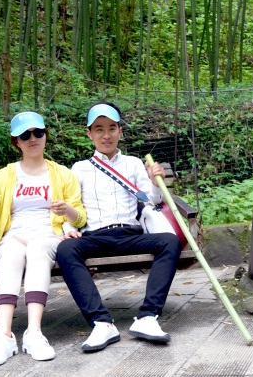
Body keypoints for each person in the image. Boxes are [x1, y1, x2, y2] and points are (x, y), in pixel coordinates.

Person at [0, 111, 87, 367]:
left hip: (48, 235)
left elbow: (79, 217)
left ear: (45, 136)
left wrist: (67, 210)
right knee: (10, 253)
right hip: (15, 235)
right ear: (16, 142)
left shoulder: (62, 174)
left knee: (38, 249)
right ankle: (3, 336)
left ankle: (34, 333)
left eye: (38, 132)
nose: (33, 139)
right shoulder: (5, 175)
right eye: (25, 135)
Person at [57, 102, 182, 353]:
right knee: (66, 249)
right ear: (89, 134)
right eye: (99, 129)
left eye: (112, 128)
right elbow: (71, 203)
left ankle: (148, 317)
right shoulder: (79, 168)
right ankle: (101, 323)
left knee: (170, 241)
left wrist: (155, 180)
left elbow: (153, 200)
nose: (106, 135)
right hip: (95, 236)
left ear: (120, 131)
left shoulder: (133, 163)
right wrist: (66, 228)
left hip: (130, 234)